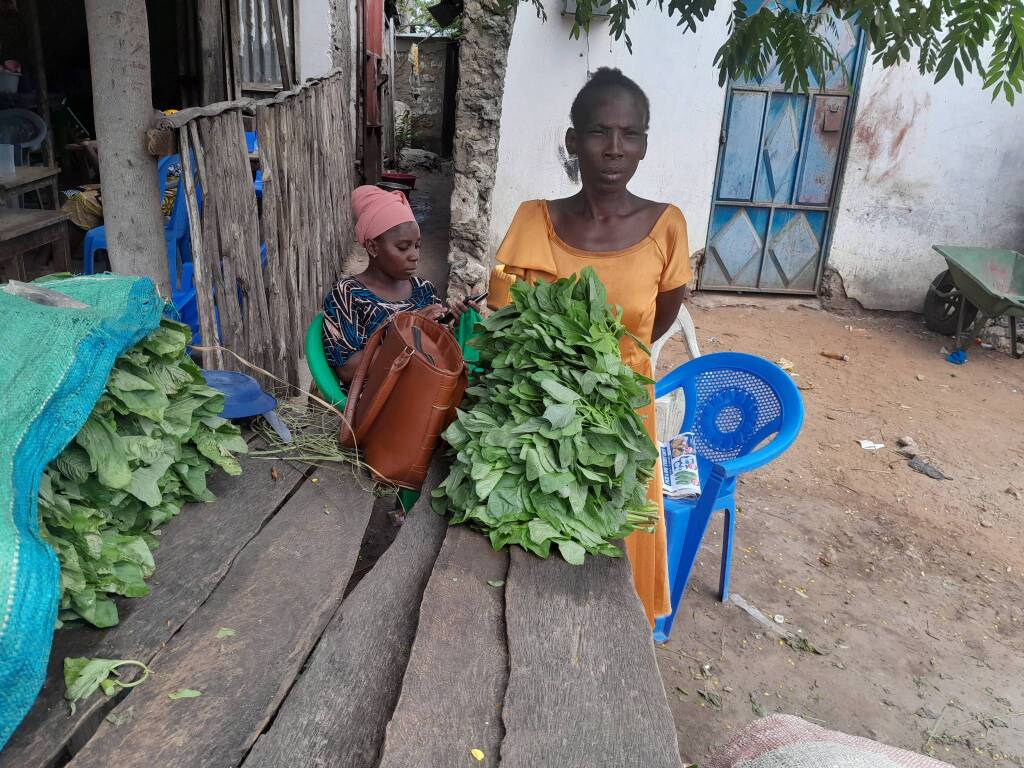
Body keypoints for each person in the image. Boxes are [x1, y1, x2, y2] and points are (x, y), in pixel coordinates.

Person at [494, 68, 692, 627]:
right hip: (540, 410)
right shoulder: (535, 221)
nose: (614, 149)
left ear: (644, 145)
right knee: (542, 541)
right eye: (599, 132)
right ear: (572, 141)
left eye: (630, 134)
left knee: (615, 544)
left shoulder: (666, 227)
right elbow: (510, 323)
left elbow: (658, 319)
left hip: (624, 410)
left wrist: (609, 368)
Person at [323, 185, 474, 386]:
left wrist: (456, 323)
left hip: (426, 388)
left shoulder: (424, 290)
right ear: (372, 247)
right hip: (380, 402)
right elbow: (348, 370)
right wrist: (411, 331)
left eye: (417, 245)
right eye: (403, 247)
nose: (415, 256)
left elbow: (437, 350)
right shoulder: (347, 295)